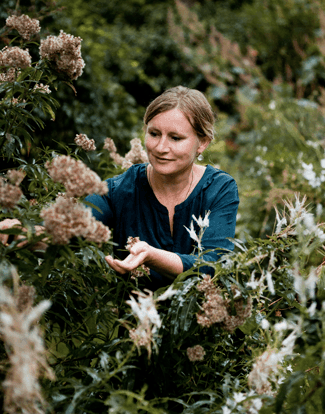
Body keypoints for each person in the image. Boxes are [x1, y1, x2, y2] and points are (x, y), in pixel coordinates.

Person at [84, 86, 239, 288]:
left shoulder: (218, 189)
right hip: (132, 317)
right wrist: (37, 235)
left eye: (175, 138)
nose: (160, 147)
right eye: (154, 134)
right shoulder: (118, 190)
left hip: (199, 317)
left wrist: (151, 255)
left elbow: (213, 264)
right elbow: (73, 224)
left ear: (202, 143)